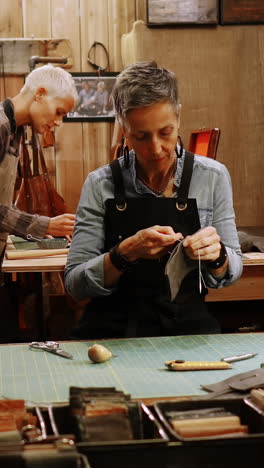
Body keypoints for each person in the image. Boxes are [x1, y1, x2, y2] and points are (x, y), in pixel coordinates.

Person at [65, 61, 243, 339]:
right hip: (113, 334)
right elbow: (75, 283)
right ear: (123, 127)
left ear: (178, 118)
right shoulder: (100, 185)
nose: (157, 148)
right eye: (141, 136)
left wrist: (217, 255)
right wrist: (124, 253)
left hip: (187, 334)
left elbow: (232, 268)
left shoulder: (212, 177)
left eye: (165, 132)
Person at [0, 64, 79, 269]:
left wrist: (42, 227)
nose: (59, 122)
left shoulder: (15, 130)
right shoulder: (1, 127)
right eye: (59, 112)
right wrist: (45, 225)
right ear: (40, 94)